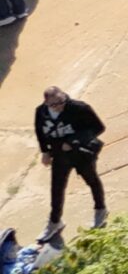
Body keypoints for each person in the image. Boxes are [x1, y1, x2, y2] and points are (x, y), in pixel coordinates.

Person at [34, 87, 107, 231]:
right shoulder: (41, 112)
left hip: (80, 152)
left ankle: (100, 208)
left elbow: (98, 127)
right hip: (59, 155)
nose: (59, 106)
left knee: (92, 180)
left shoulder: (79, 108)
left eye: (61, 101)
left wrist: (73, 141)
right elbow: (40, 132)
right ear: (46, 103)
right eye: (54, 104)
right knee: (57, 188)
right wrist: (45, 152)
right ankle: (55, 221)